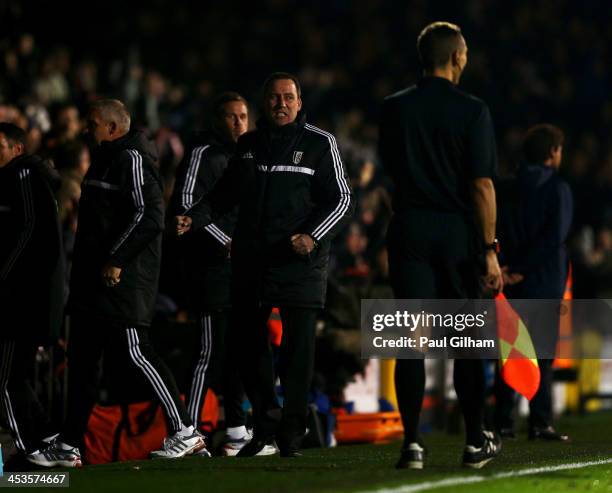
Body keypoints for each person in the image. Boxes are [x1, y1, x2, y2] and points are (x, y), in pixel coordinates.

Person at [176, 72, 354, 457]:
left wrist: (311, 236)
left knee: (296, 352)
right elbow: (226, 193)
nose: (281, 104)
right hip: (252, 264)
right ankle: (265, 426)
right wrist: (197, 216)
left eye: (288, 97)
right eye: (274, 97)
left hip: (300, 265)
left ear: (300, 102)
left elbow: (341, 199)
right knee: (248, 347)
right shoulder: (249, 145)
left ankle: (292, 430)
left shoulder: (321, 144)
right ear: (264, 103)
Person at [27, 99, 207, 468]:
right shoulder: (107, 156)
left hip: (123, 281)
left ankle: (185, 430)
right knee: (82, 364)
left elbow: (150, 216)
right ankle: (69, 444)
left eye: (92, 123)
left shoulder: (133, 159)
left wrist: (117, 260)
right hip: (94, 283)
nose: (86, 129)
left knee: (136, 351)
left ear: (113, 127)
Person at [379, 22, 503, 469]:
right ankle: (474, 442)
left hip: (408, 227)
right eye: (465, 52)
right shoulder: (472, 110)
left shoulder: (393, 109)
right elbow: (482, 186)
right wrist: (490, 248)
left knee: (409, 338)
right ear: (455, 57)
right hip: (455, 232)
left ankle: (411, 443)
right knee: (465, 339)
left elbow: (388, 180)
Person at [170, 92, 275, 456]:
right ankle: (189, 432)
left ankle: (236, 430)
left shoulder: (248, 156)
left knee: (239, 352)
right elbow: (184, 205)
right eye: (231, 117)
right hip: (211, 268)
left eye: (244, 116)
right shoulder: (203, 154)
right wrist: (225, 242)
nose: (238, 123)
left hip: (243, 269)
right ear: (217, 120)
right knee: (208, 352)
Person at [494, 124, 573, 441]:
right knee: (541, 352)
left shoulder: (506, 187)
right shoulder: (557, 188)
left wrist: (506, 267)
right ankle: (540, 422)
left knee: (509, 352)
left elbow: (494, 226)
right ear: (553, 152)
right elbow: (554, 237)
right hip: (543, 280)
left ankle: (502, 421)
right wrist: (524, 268)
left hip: (508, 279)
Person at [0, 123, 63, 469]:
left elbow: (27, 230)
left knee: (6, 379)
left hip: (19, 300)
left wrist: (3, 274)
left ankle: (30, 451)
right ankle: (49, 438)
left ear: (17, 149)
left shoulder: (22, 174)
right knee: (17, 374)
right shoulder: (26, 177)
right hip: (29, 297)